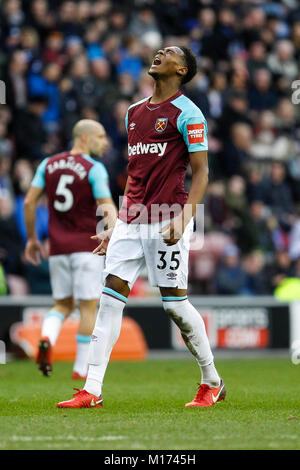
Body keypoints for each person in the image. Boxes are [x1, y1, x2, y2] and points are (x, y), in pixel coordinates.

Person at [57, 46, 225, 409]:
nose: (160, 52)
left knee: (174, 306)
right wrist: (114, 225)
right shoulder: (134, 112)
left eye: (170, 53)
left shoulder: (188, 113)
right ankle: (92, 389)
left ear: (181, 70)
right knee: (109, 298)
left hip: (169, 216)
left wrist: (185, 217)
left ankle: (211, 379)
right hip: (130, 219)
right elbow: (137, 174)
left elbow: (201, 172)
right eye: (160, 50)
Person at [24, 119, 117, 378]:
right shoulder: (94, 168)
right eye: (100, 136)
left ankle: (47, 338)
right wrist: (114, 230)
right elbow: (106, 205)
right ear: (84, 138)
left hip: (57, 248)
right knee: (88, 307)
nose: (104, 142)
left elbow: (30, 203)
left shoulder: (47, 164)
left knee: (62, 305)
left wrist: (32, 239)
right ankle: (80, 368)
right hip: (87, 247)